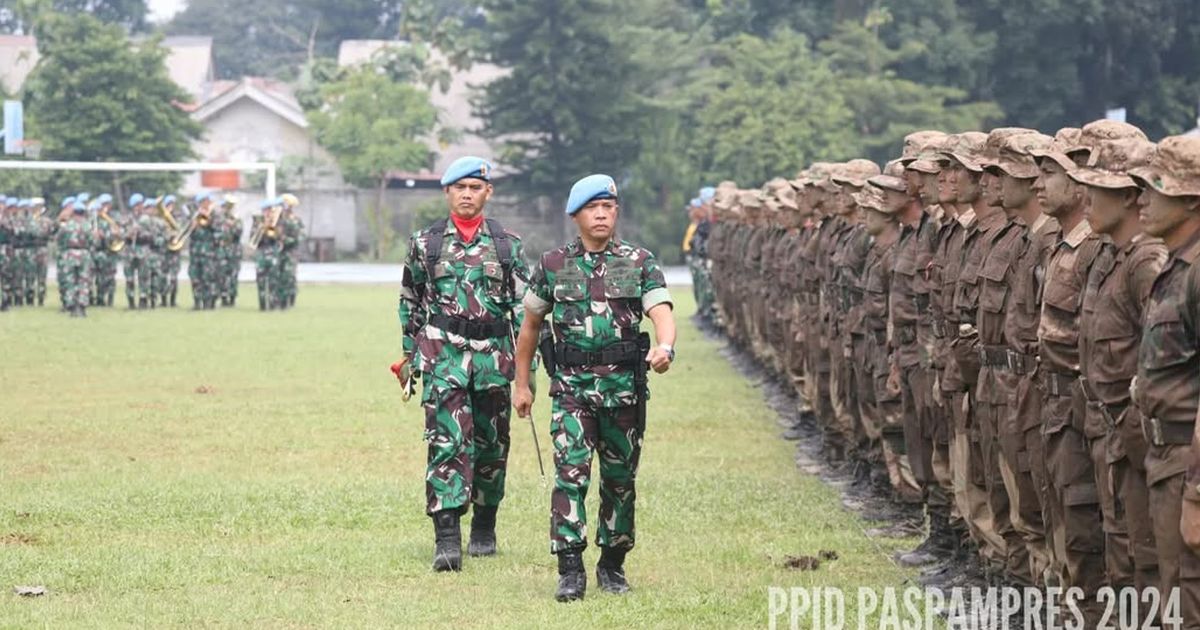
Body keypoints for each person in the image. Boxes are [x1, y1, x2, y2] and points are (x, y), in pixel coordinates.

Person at [513, 173, 676, 602]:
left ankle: (613, 563)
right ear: (575, 215)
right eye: (592, 207)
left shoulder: (639, 261)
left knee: (620, 479)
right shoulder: (553, 264)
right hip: (571, 391)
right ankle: (570, 568)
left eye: (608, 206)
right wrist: (522, 384)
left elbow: (660, 308)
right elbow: (529, 328)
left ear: (616, 211)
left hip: (624, 391)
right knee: (571, 475)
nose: (601, 214)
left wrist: (665, 347)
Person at [394, 157, 529, 572]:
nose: (467, 194)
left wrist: (527, 375)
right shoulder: (426, 243)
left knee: (491, 446)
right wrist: (408, 357)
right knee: (446, 443)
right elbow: (410, 300)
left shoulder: (507, 244)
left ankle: (484, 527)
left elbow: (525, 313)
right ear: (447, 192)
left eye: (475, 186)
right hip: (443, 357)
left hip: (494, 359)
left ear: (488, 192)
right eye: (459, 187)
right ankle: (447, 537)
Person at [1130, 135, 1200, 623]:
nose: (1142, 200)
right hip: (1163, 459)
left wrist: (1197, 494)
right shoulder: (1172, 267)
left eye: (1156, 188)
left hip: (1187, 466)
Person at [57, 199, 98, 317]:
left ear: (73, 212)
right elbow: (93, 242)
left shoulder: (66, 225)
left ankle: (72, 307)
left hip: (69, 254)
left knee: (70, 281)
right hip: (84, 254)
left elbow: (59, 240)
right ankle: (82, 307)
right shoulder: (88, 226)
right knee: (84, 281)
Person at [188, 192, 219, 310]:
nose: (203, 204)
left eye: (205, 201)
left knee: (208, 278)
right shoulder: (193, 216)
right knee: (195, 277)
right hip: (195, 252)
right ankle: (197, 302)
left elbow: (219, 232)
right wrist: (192, 225)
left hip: (209, 253)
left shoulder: (215, 215)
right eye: (201, 202)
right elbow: (186, 232)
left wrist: (209, 220)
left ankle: (208, 303)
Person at [278, 194, 304, 309]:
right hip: (278, 251)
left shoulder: (296, 220)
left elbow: (302, 235)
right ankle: (280, 300)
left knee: (289, 276)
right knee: (278, 275)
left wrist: (289, 240)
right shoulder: (277, 218)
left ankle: (290, 297)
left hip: (291, 251)